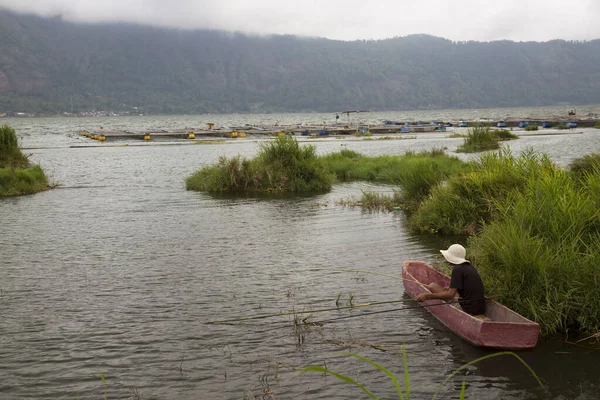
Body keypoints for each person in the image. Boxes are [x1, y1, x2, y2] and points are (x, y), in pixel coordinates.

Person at [416, 244, 486, 316]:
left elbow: (450, 295)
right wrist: (451, 288)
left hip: (469, 309)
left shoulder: (457, 269)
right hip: (480, 308)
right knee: (435, 286)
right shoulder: (470, 267)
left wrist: (427, 296)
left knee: (432, 286)